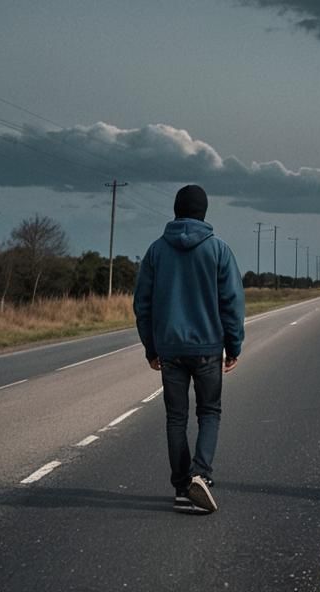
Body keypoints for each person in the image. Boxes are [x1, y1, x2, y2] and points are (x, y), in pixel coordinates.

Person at [134, 183, 245, 514]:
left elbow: (143, 304)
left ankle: (182, 487)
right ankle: (201, 475)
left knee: (176, 418)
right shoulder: (219, 250)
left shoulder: (156, 251)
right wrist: (233, 345)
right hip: (209, 348)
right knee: (209, 411)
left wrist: (151, 348)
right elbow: (232, 303)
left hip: (170, 349)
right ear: (204, 212)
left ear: (176, 211)